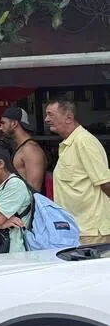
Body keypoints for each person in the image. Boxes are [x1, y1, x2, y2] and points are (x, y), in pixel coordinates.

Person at [45, 98, 110, 245]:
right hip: (77, 230)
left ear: (69, 117)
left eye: (50, 114)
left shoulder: (84, 142)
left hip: (92, 232)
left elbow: (106, 183)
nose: (46, 119)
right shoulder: (69, 144)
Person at [0, 106, 47, 193]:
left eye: (3, 123)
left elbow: (34, 189)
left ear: (14, 124)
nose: (0, 128)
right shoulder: (22, 148)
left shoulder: (30, 149)